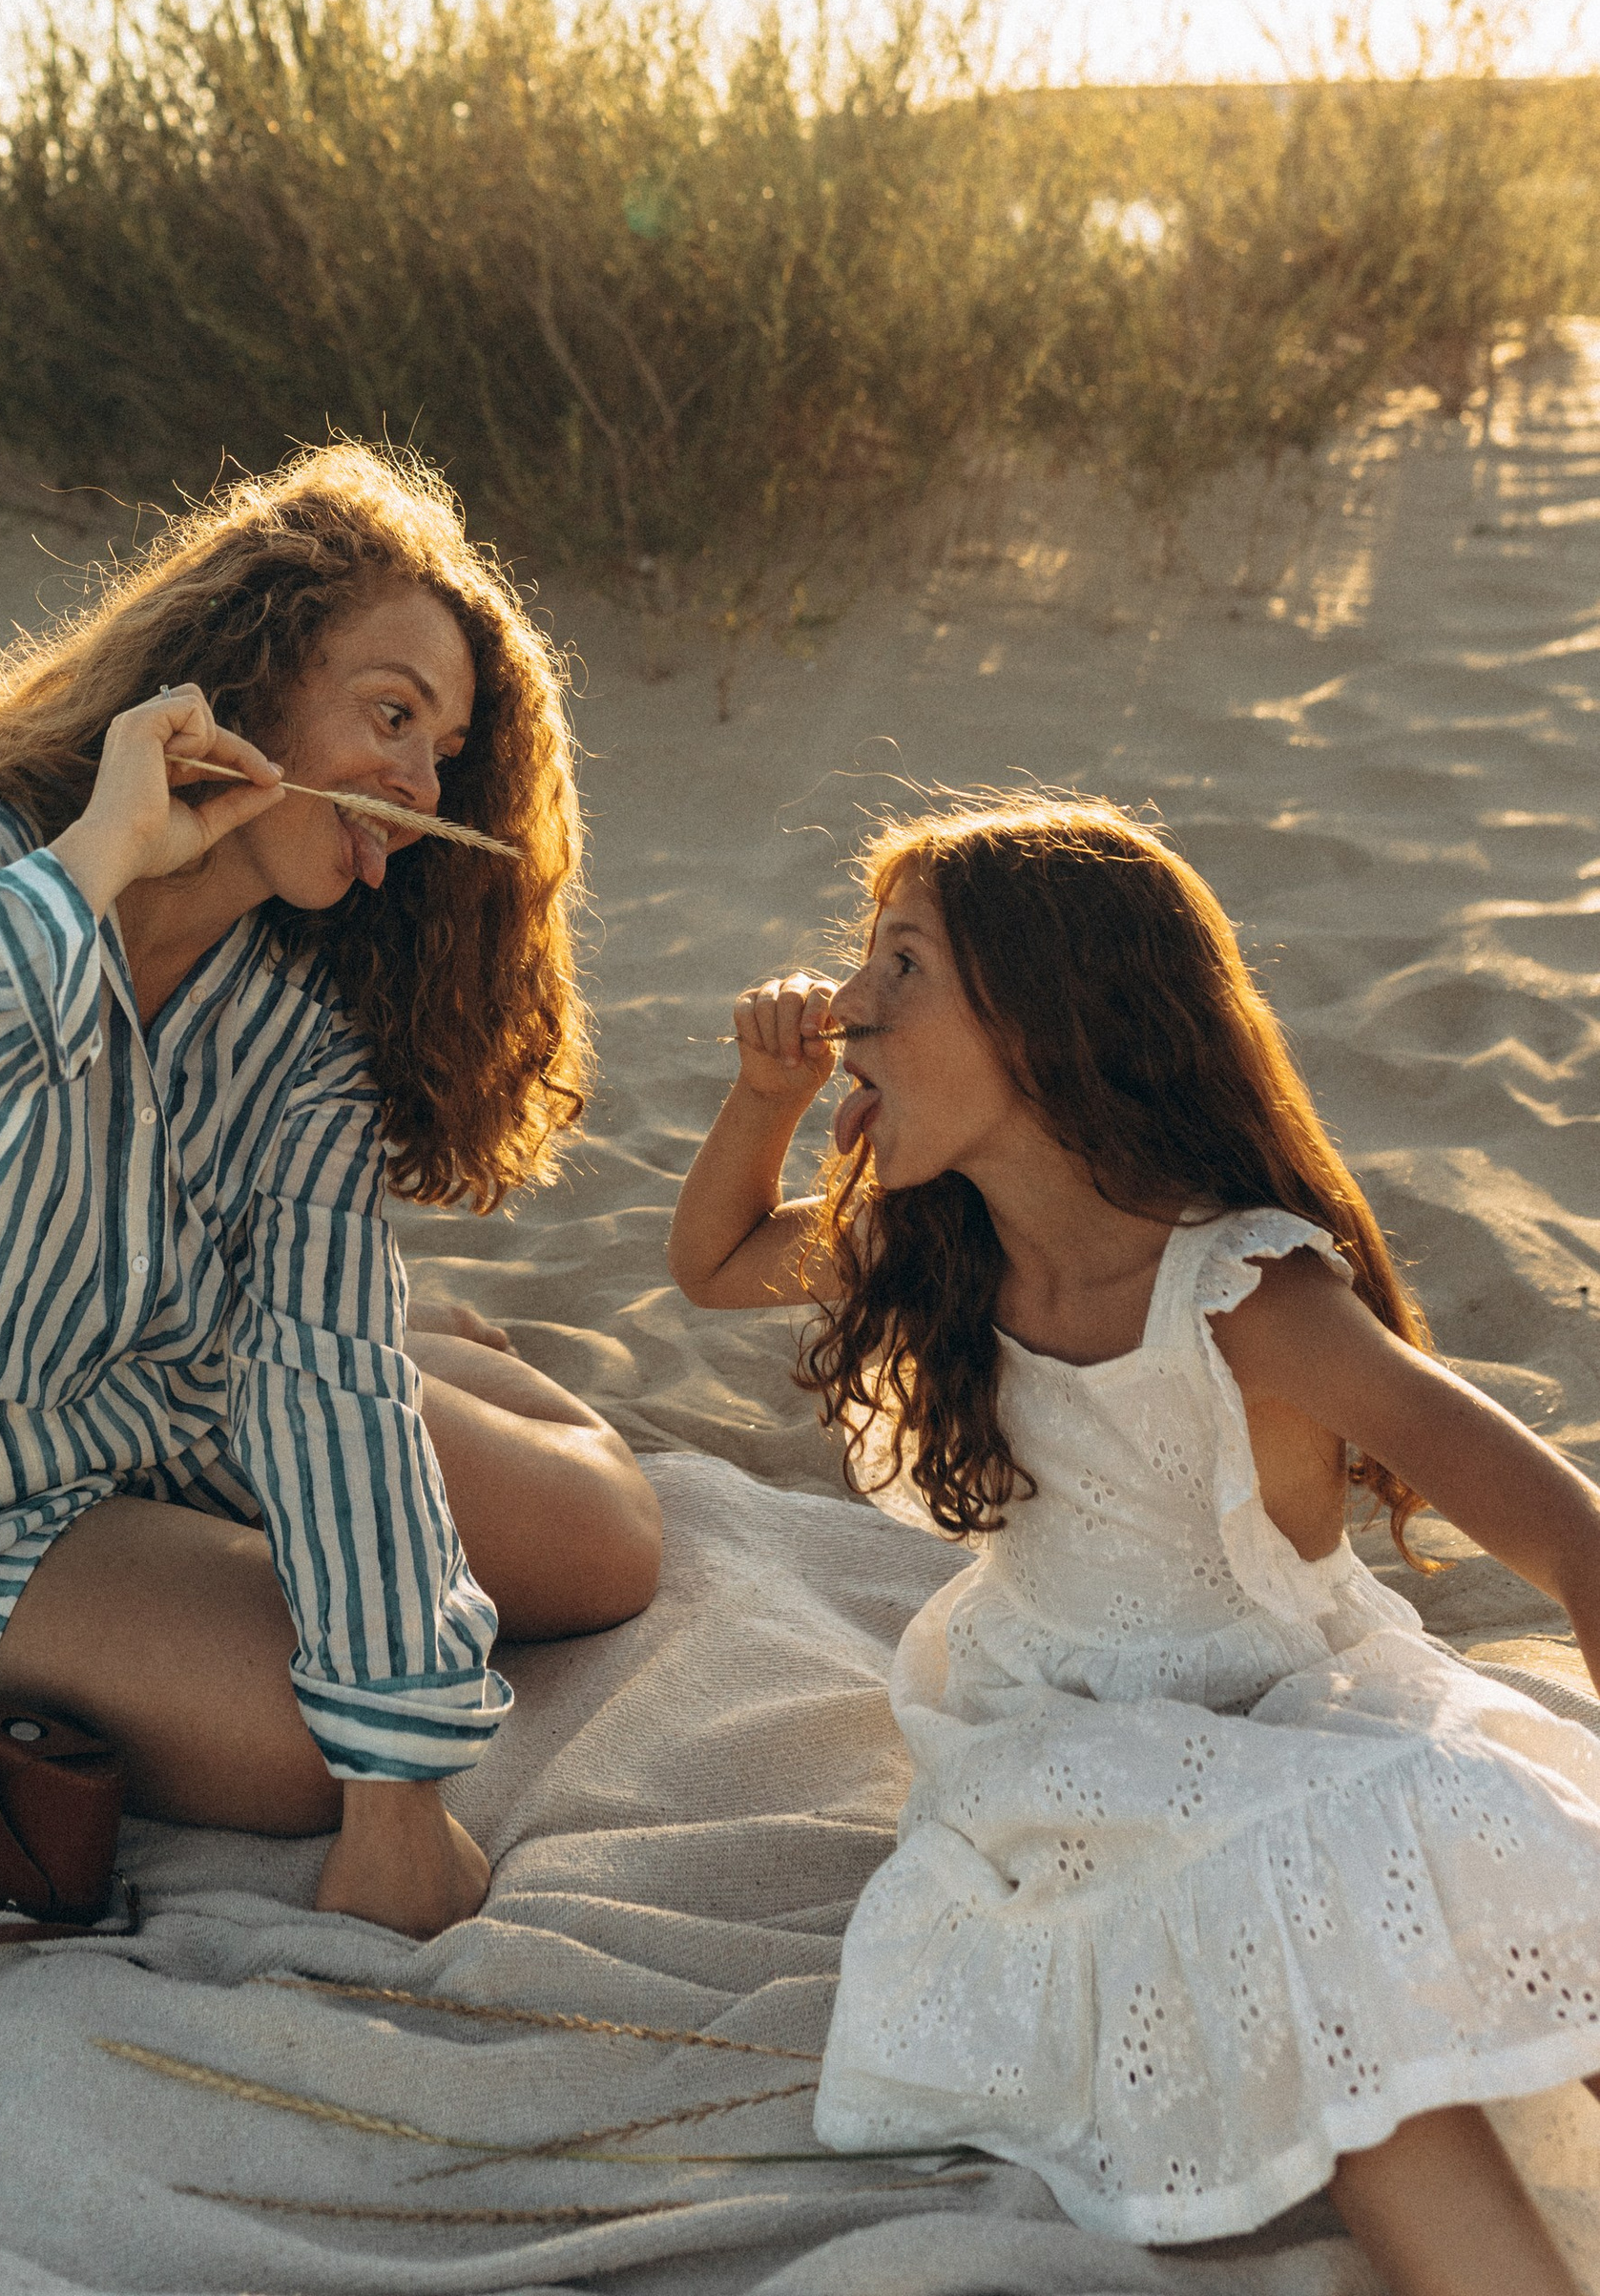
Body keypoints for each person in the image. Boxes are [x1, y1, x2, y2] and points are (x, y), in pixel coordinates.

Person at [0, 442, 661, 1942]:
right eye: (390, 716)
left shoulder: (303, 1014)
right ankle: (398, 1389)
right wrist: (94, 862)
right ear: (245, 686)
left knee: (606, 1547)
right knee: (294, 1745)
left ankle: (428, 1360)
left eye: (444, 753)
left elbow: (324, 1371)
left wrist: (406, 1807)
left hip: (157, 1406)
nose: (416, 782)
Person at [668, 792, 1600, 2296]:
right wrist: (765, 1100)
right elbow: (713, 1264)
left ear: (1046, 1028)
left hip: (1310, 1708)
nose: (846, 1006)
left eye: (902, 967)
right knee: (1308, 1931)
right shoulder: (934, 1252)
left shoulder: (1246, 1296)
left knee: (1478, 1847)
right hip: (1063, 1748)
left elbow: (1564, 1525)